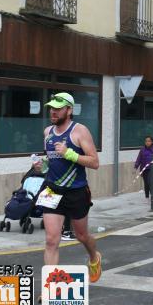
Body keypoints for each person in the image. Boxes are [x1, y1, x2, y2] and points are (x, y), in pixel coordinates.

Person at [38, 92, 102, 292]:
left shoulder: (80, 131)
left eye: (58, 108)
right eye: (51, 108)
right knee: (51, 240)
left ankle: (94, 257)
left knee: (82, 236)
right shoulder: (48, 131)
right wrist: (42, 165)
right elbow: (51, 161)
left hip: (76, 192)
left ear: (69, 110)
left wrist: (71, 154)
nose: (53, 111)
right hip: (52, 189)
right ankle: (51, 287)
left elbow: (94, 162)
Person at [134, 136, 153, 204]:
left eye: (149, 141)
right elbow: (139, 159)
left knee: (151, 182)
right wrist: (135, 167)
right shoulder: (142, 149)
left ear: (152, 142)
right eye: (146, 141)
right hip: (144, 169)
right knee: (146, 183)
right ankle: (147, 197)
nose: (147, 142)